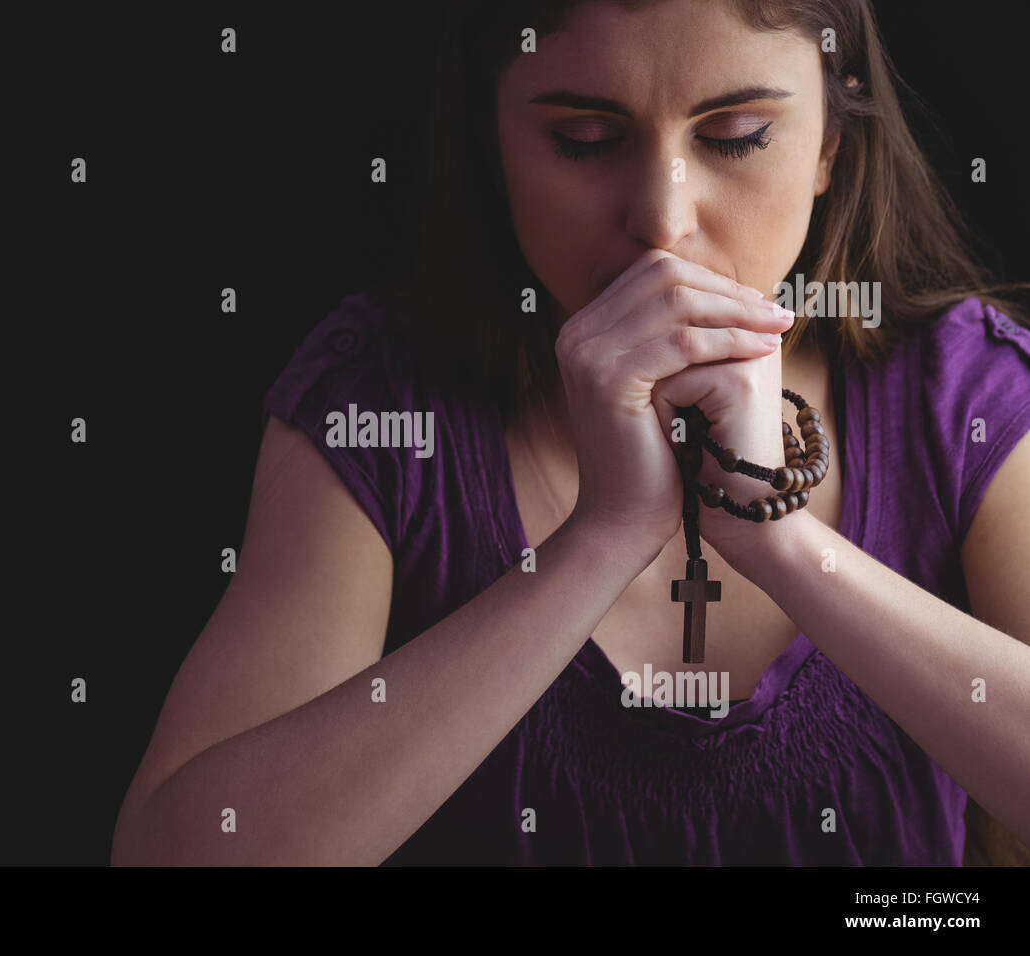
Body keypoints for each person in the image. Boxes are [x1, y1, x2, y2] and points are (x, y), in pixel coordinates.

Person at [111, 0, 1030, 865]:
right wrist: (604, 536)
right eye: (583, 142)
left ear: (829, 144)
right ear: (495, 146)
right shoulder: (381, 406)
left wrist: (775, 532)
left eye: (736, 138)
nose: (663, 223)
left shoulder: (963, 395)